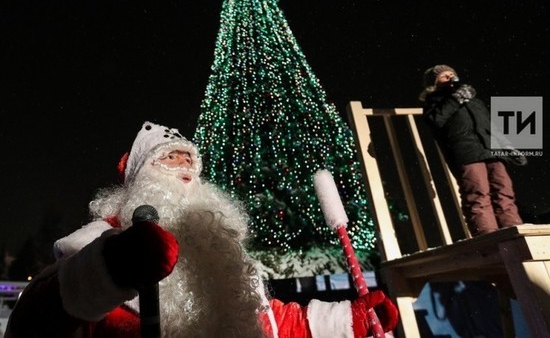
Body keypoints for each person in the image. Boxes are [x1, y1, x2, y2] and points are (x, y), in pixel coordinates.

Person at [6, 121, 398, 337]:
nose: (184, 166)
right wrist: (110, 270)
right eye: (169, 158)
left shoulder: (219, 251)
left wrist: (348, 319)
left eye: (188, 158)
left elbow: (268, 323)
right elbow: (35, 322)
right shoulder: (98, 245)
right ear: (141, 176)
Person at [419, 64, 526, 236]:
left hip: (491, 149)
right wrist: (455, 99)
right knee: (478, 192)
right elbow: (435, 120)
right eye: (444, 76)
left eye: (452, 74)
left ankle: (513, 229)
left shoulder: (474, 100)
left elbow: (490, 126)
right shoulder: (435, 101)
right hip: (466, 152)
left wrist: (508, 147)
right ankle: (487, 235)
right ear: (434, 82)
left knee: (503, 189)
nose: (450, 77)